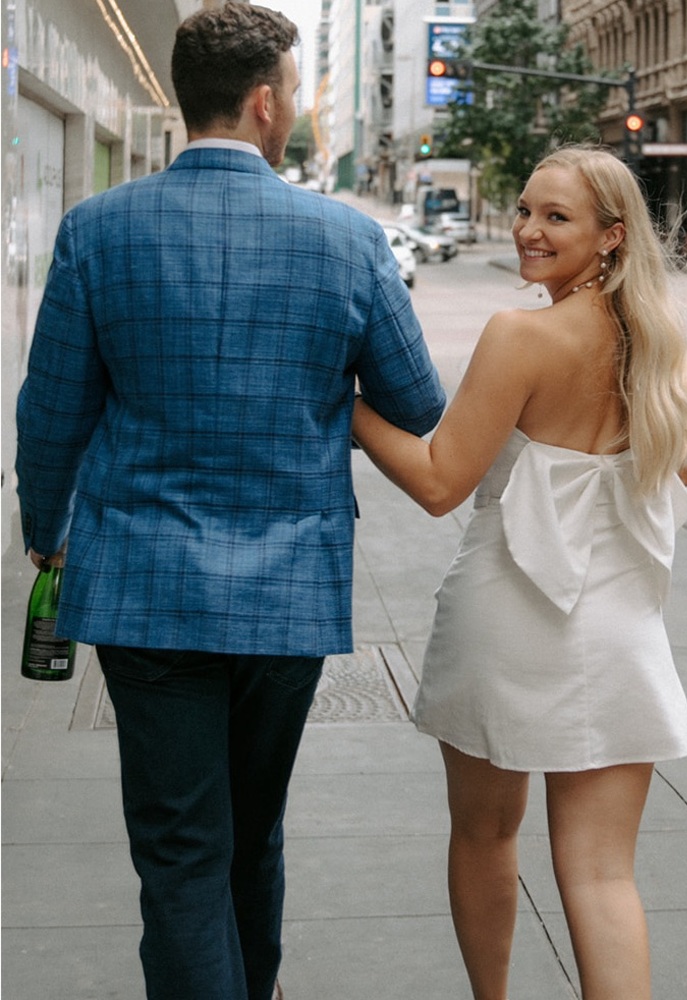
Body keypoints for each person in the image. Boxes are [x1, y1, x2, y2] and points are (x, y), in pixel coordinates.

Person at [15, 4, 445, 999]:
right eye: (291, 91)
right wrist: (319, 381)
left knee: (179, 848)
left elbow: (51, 410)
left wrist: (47, 535)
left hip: (142, 588)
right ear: (263, 103)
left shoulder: (97, 231)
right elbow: (418, 404)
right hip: (288, 593)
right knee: (255, 829)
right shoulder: (347, 239)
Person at [351, 145, 687, 1000]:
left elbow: (439, 483)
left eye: (556, 216)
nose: (528, 229)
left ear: (611, 235)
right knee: (604, 874)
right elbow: (666, 481)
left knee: (485, 835)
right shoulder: (664, 349)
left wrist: (351, 411)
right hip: (619, 624)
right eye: (527, 209)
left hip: (505, 616)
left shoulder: (520, 335)